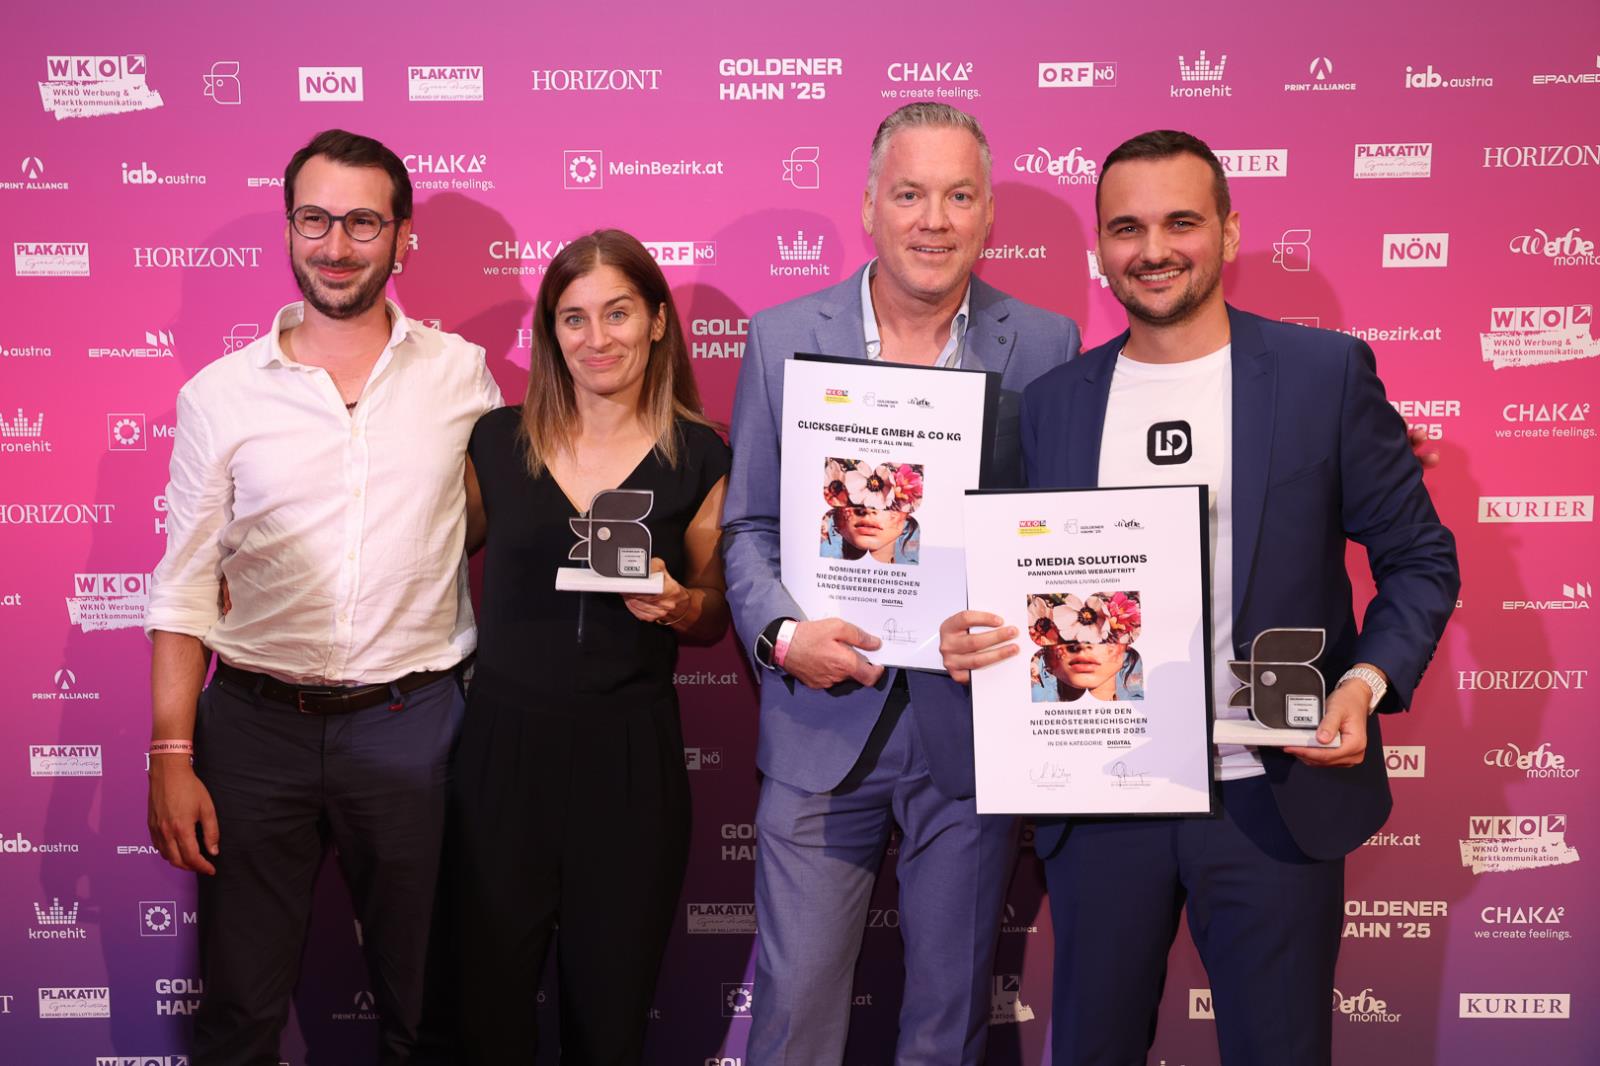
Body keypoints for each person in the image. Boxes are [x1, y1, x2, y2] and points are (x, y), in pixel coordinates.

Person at [940, 130, 1460, 1065]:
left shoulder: (1323, 376)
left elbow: (1420, 556)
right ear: (1100, 248)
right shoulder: (1054, 403)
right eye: (1126, 228)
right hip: (1101, 795)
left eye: (1181, 222)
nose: (1154, 249)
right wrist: (973, 635)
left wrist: (1366, 682)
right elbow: (1028, 584)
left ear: (1229, 230)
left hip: (1273, 793)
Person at [722, 102, 1082, 1064]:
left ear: (989, 214)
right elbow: (748, 526)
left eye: (959, 196)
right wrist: (786, 637)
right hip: (818, 720)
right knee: (794, 1017)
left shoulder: (1045, 341)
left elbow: (1061, 539)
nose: (934, 220)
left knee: (946, 1023)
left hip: (969, 726)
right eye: (911, 194)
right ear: (870, 206)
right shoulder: (782, 336)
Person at [144, 129, 502, 1065]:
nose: (336, 245)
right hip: (252, 732)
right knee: (238, 1016)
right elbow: (183, 583)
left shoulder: (461, 375)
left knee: (427, 1012)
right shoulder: (218, 395)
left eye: (362, 223)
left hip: (416, 724)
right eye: (314, 219)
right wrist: (171, 754)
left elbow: (482, 524)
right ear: (288, 229)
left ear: (403, 237)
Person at [452, 229, 730, 1064]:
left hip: (630, 758)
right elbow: (419, 557)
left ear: (656, 322)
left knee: (609, 1021)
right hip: (501, 751)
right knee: (484, 1012)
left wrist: (681, 604)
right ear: (550, 331)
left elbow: (714, 614)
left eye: (618, 313)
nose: (596, 337)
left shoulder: (701, 455)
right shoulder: (496, 442)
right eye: (573, 318)